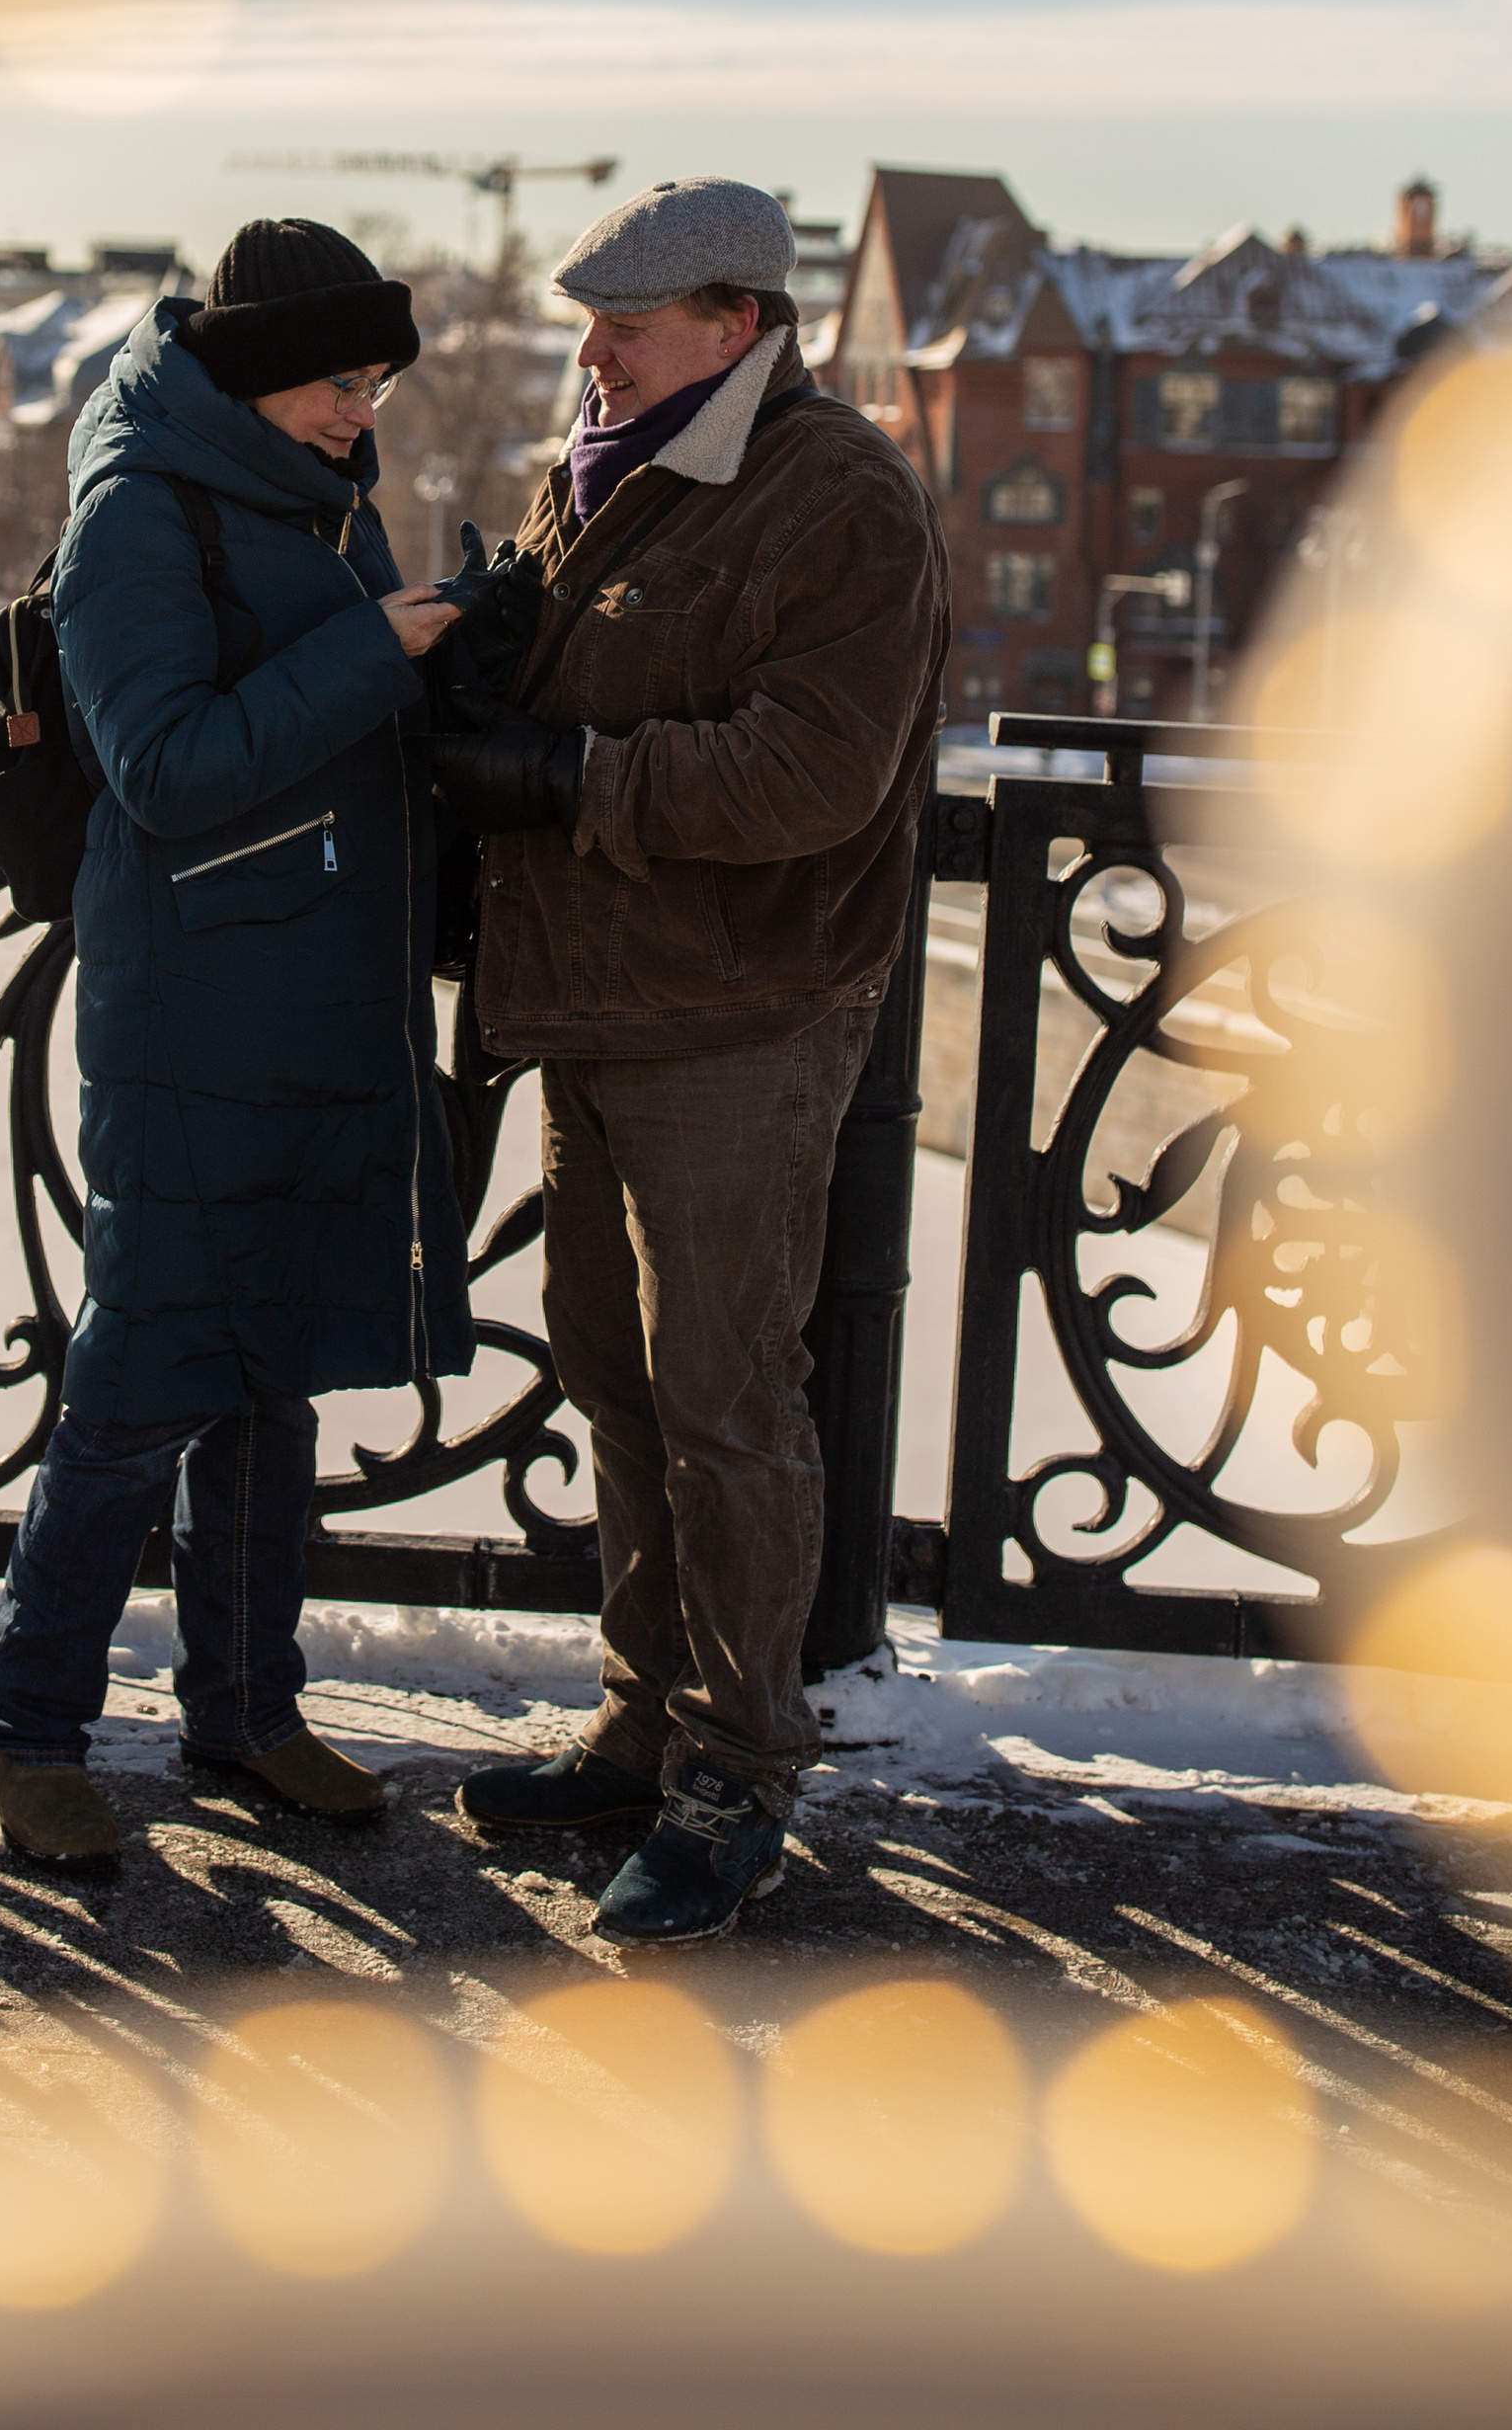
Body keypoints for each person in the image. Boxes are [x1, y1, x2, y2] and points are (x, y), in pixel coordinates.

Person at [432, 175, 948, 1946]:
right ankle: (644, 1722)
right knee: (618, 1373)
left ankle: (740, 1764)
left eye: (629, 324)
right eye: (591, 320)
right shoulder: (606, 453)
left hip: (740, 1014)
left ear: (740, 325)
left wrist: (570, 780)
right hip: (592, 995)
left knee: (727, 1396)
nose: (595, 349)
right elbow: (591, 657)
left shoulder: (840, 492)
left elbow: (814, 772)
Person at [0, 218, 472, 1869]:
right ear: (259, 375)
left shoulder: (311, 491)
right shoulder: (139, 510)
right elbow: (165, 768)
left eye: (377, 381)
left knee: (272, 1378)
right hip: (193, 1010)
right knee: (140, 1383)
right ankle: (29, 1728)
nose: (361, 408)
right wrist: (369, 651)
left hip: (316, 998)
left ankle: (247, 1711)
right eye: (340, 379)